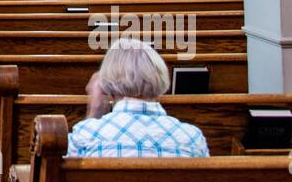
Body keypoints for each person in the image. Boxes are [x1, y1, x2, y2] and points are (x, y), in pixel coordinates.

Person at [68, 39, 209, 158]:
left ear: (105, 84)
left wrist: (93, 112)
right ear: (160, 76)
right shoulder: (193, 139)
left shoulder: (85, 135)